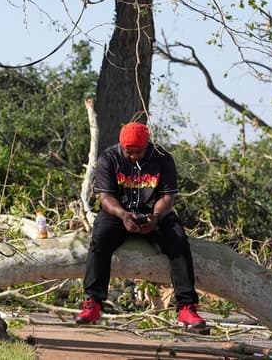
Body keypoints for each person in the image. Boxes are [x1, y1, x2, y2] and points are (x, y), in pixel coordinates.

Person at [75, 121, 207, 331]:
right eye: (129, 152)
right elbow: (105, 197)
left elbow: (167, 196)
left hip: (155, 214)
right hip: (118, 213)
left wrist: (155, 217)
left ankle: (187, 308)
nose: (133, 156)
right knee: (99, 239)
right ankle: (93, 303)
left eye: (138, 152)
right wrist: (123, 215)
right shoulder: (109, 158)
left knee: (178, 241)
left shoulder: (163, 159)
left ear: (147, 145)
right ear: (121, 146)